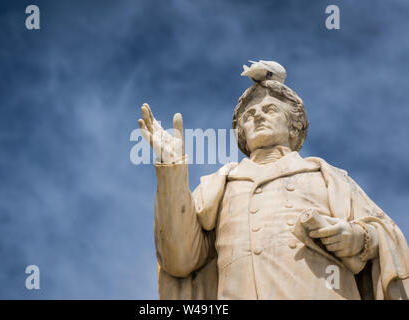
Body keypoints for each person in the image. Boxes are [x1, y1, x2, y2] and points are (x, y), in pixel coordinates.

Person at [137, 61, 409, 299]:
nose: (257, 117)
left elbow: (387, 236)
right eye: (249, 116)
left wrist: (359, 240)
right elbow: (179, 261)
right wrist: (171, 168)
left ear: (293, 125)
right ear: (241, 132)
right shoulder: (219, 185)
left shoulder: (327, 177)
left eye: (269, 110)